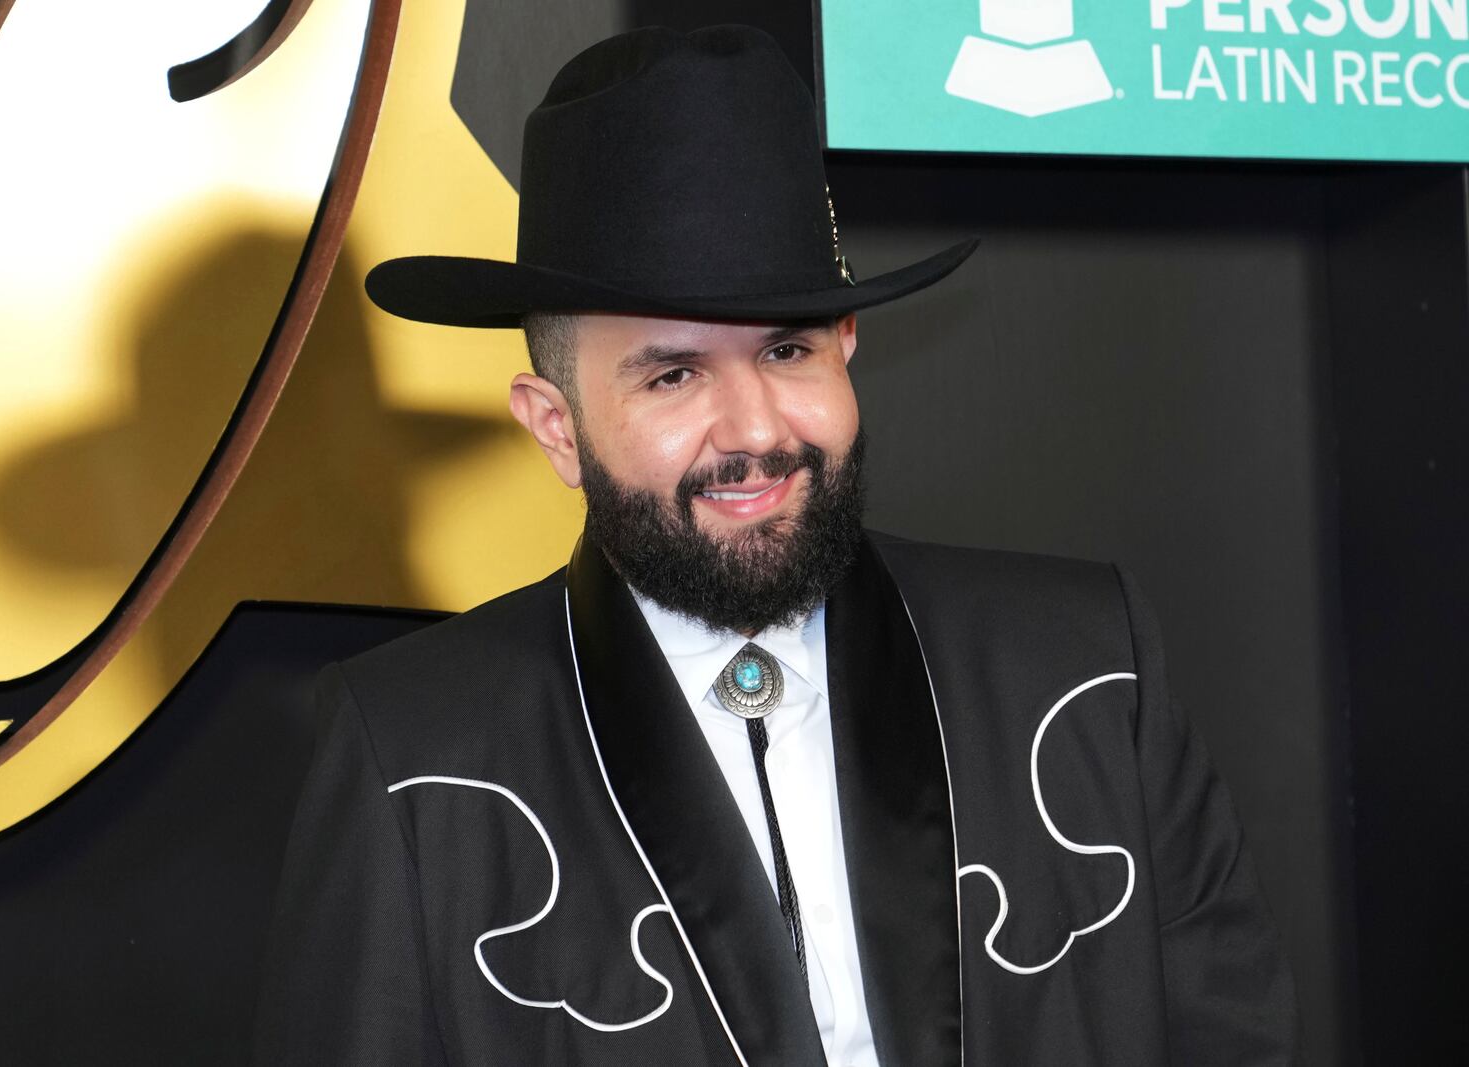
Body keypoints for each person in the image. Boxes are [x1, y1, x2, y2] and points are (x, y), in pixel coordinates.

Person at [254, 25, 1296, 1066]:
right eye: (673, 375)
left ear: (847, 348)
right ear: (556, 426)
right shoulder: (415, 751)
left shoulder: (1083, 669)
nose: (754, 430)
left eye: (787, 349)